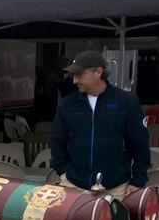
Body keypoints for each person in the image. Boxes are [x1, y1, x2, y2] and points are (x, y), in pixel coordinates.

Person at [51, 50, 150, 199]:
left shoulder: (126, 103)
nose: (74, 80)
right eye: (73, 75)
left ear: (98, 72)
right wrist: (64, 173)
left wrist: (137, 180)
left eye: (80, 75)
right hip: (73, 186)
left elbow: (141, 145)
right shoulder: (67, 105)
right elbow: (56, 141)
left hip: (116, 189)